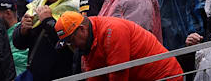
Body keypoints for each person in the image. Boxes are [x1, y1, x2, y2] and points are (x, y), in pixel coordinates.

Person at [52, 12, 182, 81]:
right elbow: (95, 74)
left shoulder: (112, 30)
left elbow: (119, 73)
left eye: (71, 40)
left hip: (165, 77)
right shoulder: (88, 42)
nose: (72, 45)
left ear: (82, 29)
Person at [11, 0, 80, 81]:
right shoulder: (38, 3)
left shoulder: (78, 2)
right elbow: (19, 44)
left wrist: (48, 22)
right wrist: (23, 30)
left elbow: (71, 45)